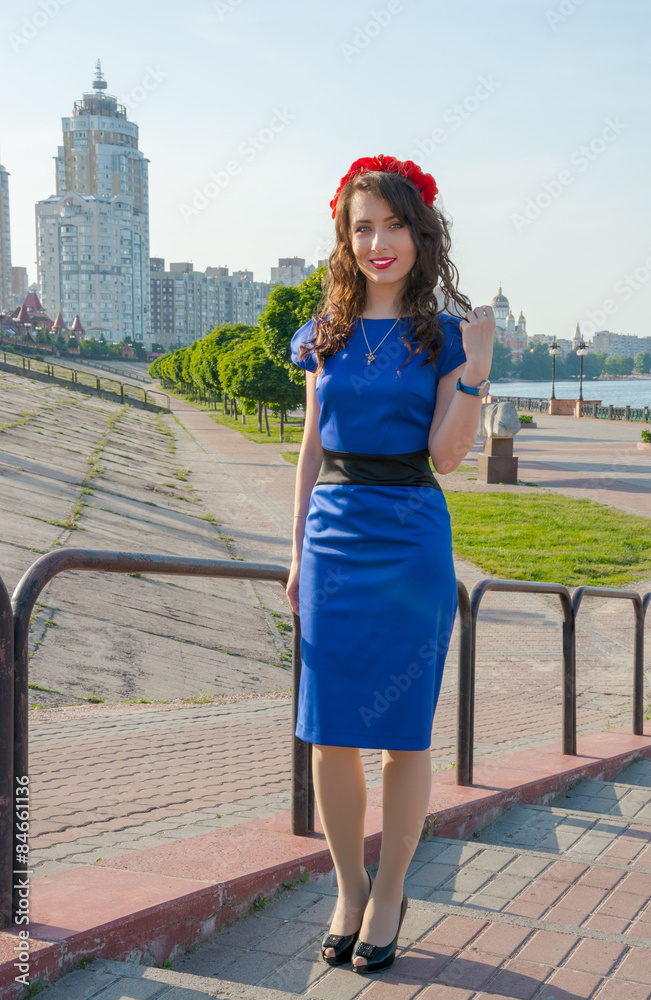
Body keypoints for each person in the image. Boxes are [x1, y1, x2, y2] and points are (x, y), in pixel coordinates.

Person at [285, 154, 495, 975]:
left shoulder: (444, 336)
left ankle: (391, 890)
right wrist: (294, 551)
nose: (379, 242)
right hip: (332, 538)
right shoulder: (323, 332)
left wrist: (474, 370)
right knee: (328, 732)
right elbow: (309, 448)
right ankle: (347, 884)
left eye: (393, 225)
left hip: (409, 539)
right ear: (345, 236)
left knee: (403, 737)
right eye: (362, 226)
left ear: (420, 232)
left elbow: (446, 456)